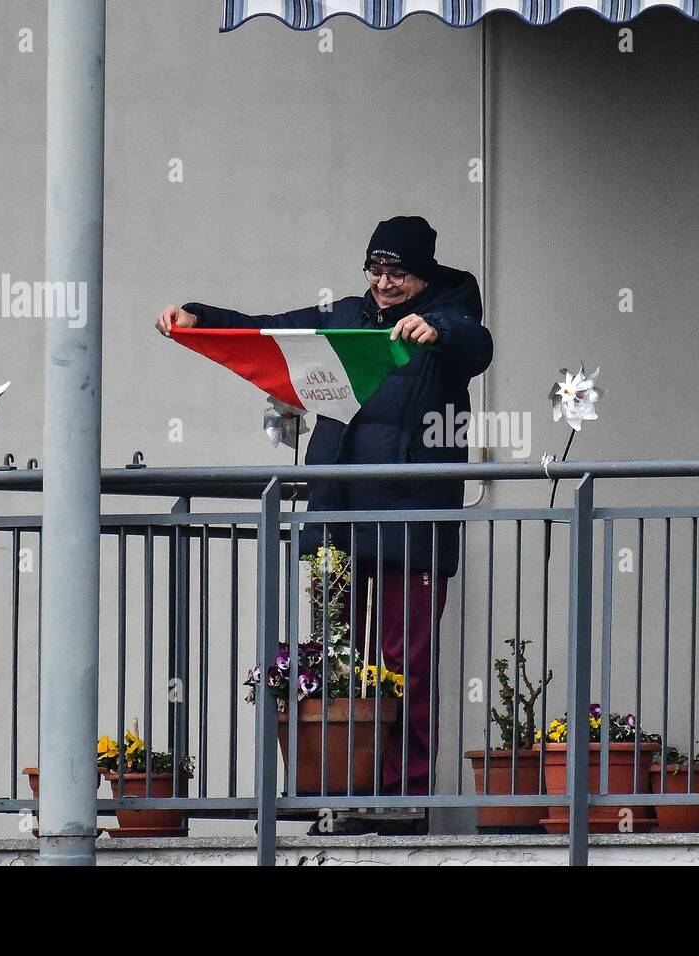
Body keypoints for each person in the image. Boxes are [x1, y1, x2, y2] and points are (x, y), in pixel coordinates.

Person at [157, 216, 491, 814]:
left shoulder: (451, 314)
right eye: (377, 269)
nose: (385, 283)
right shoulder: (342, 317)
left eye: (400, 273)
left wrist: (435, 328)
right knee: (338, 667)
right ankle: (341, 797)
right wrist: (199, 317)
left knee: (404, 666)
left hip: (413, 525)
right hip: (337, 518)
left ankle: (403, 800)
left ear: (425, 274)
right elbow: (269, 334)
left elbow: (477, 344)